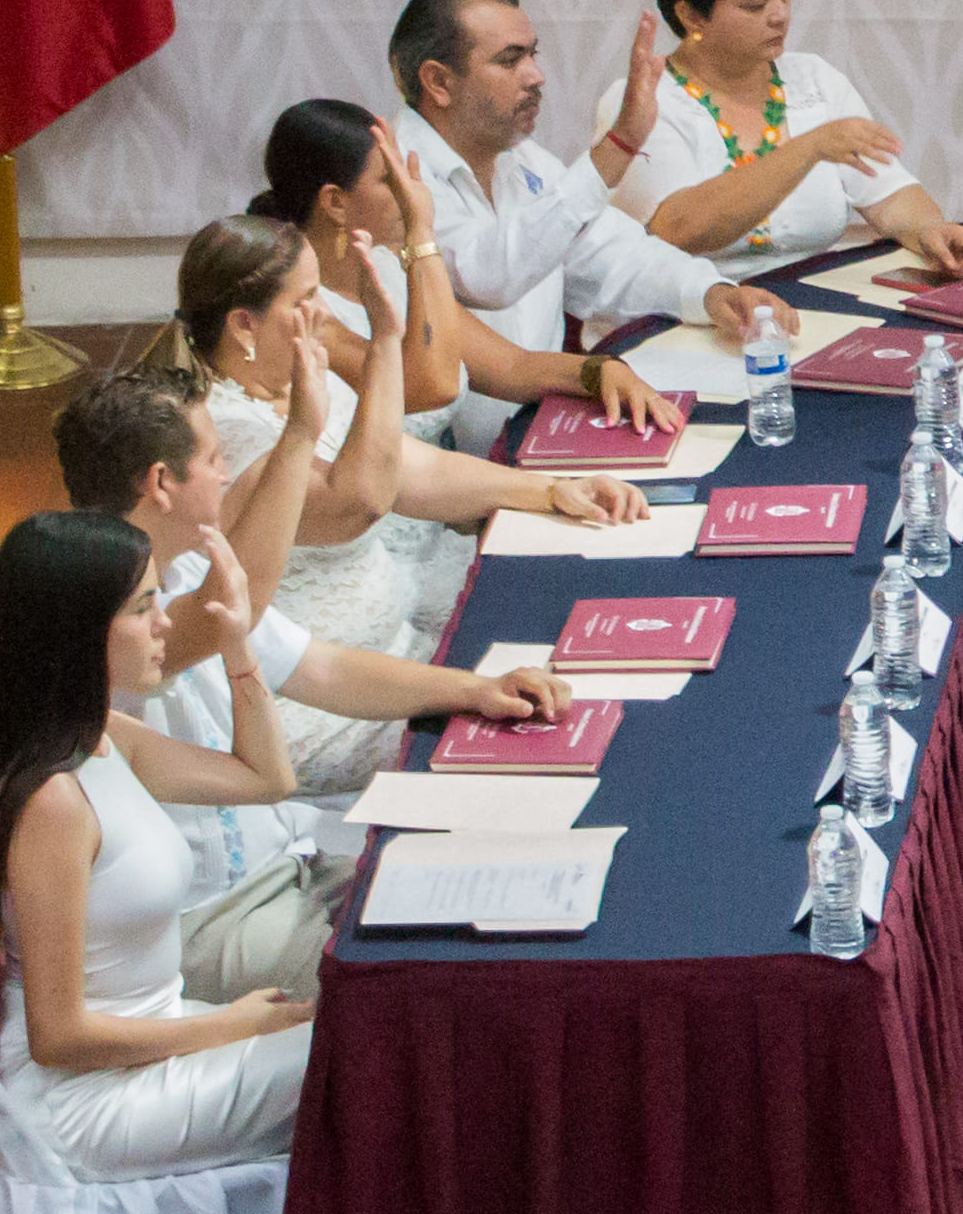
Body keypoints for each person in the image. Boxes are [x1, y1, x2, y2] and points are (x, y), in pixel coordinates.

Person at [55, 369, 573, 1002]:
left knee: (497, 881)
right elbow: (229, 612)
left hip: (290, 856)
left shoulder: (185, 564)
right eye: (214, 460)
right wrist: (300, 433)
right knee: (429, 986)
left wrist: (474, 690)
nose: (225, 473)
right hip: (209, 917)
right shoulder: (107, 615)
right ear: (162, 484)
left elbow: (320, 668)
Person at [150, 216, 646, 786]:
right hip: (326, 707)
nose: (323, 313)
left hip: (399, 652)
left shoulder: (297, 380)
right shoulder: (231, 437)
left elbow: (415, 469)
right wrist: (385, 343)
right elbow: (360, 500)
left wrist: (554, 490)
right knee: (558, 736)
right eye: (306, 299)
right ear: (245, 324)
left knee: (580, 645)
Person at [0, 509, 310, 1184]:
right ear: (78, 632)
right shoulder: (52, 802)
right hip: (86, 1099)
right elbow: (58, 1038)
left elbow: (267, 777)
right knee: (356, 1055)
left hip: (151, 1041)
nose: (166, 624)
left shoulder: (103, 737)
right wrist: (231, 1026)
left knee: (359, 1028)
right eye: (144, 607)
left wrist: (237, 644)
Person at [387, 0, 780, 442]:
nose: (535, 76)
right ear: (438, 82)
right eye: (510, 60)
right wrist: (617, 147)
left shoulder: (525, 161)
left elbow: (614, 256)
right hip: (444, 467)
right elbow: (487, 276)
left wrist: (710, 292)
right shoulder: (392, 182)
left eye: (532, 54)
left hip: (543, 439)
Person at [253, 98, 675, 441]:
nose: (412, 188)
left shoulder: (389, 268)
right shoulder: (304, 312)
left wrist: (601, 370)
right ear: (335, 203)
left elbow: (513, 367)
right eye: (390, 178)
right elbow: (430, 387)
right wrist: (420, 231)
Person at [596, 0, 963, 278]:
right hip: (684, 309)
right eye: (756, 4)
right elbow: (677, 229)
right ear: (692, 16)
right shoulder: (640, 101)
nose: (780, 14)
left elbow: (888, 193)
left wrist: (928, 230)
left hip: (810, 304)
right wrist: (809, 148)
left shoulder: (815, 81)